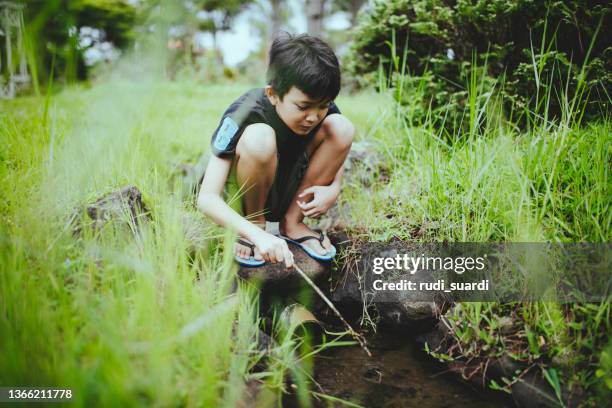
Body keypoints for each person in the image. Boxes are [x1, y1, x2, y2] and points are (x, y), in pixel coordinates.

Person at [196, 32, 355, 268]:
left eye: (323, 106)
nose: (313, 117)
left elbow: (337, 148)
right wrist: (257, 235)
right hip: (244, 196)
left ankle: (292, 223)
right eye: (303, 107)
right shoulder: (246, 111)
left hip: (287, 191)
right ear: (273, 94)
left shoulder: (321, 107)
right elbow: (206, 198)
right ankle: (254, 225)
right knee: (259, 138)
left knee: (342, 127)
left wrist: (334, 188)